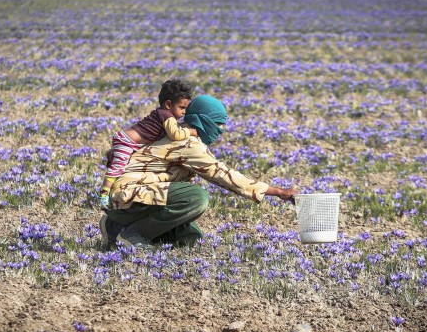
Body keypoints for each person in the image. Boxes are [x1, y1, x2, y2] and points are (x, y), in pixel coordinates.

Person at [98, 95, 296, 249]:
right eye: (218, 123)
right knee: (195, 197)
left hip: (133, 197)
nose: (220, 130)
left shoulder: (181, 134)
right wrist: (279, 192)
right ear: (203, 120)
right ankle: (132, 233)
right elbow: (223, 175)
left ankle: (114, 226)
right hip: (128, 196)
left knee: (191, 238)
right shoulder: (187, 142)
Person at [96, 79, 198, 209]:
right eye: (182, 108)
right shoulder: (167, 116)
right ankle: (104, 193)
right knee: (118, 168)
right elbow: (175, 134)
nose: (184, 112)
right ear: (168, 104)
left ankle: (113, 158)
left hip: (133, 142)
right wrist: (190, 131)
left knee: (125, 164)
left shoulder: (162, 113)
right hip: (127, 142)